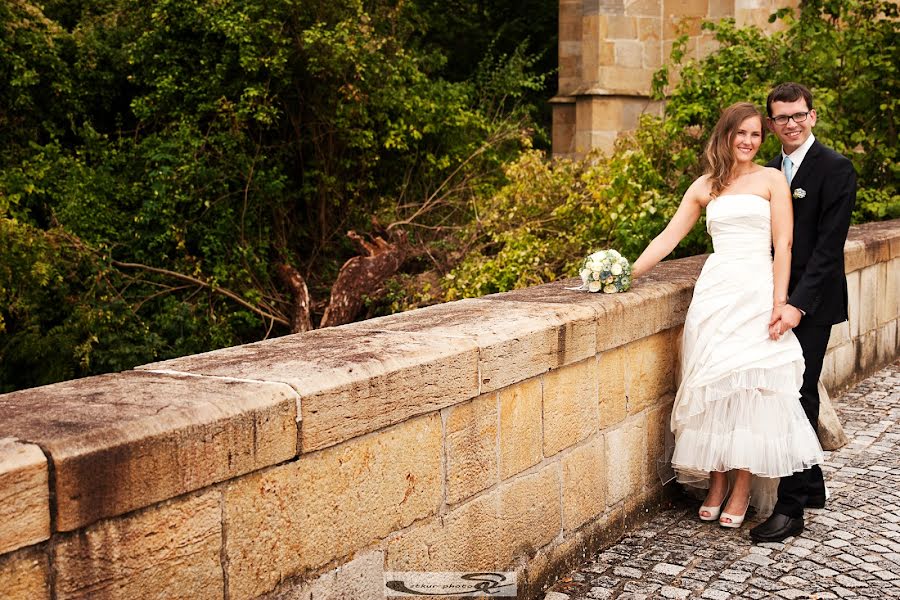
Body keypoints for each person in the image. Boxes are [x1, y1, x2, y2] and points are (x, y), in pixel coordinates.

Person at [631, 101, 824, 529]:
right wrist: (624, 273)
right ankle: (716, 483)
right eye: (742, 133)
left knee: (753, 391)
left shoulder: (772, 180)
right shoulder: (705, 186)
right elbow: (668, 237)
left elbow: (784, 245)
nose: (749, 141)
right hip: (715, 294)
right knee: (716, 389)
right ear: (726, 135)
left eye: (757, 134)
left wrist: (779, 303)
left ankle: (741, 487)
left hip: (756, 293)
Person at [749, 83, 856, 543]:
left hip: (812, 304)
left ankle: (790, 509)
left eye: (798, 115)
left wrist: (796, 306)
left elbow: (829, 250)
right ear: (771, 125)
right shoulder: (768, 171)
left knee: (795, 394)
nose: (790, 123)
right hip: (772, 300)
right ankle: (811, 485)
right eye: (781, 117)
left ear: (812, 116)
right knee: (795, 391)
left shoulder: (836, 168)